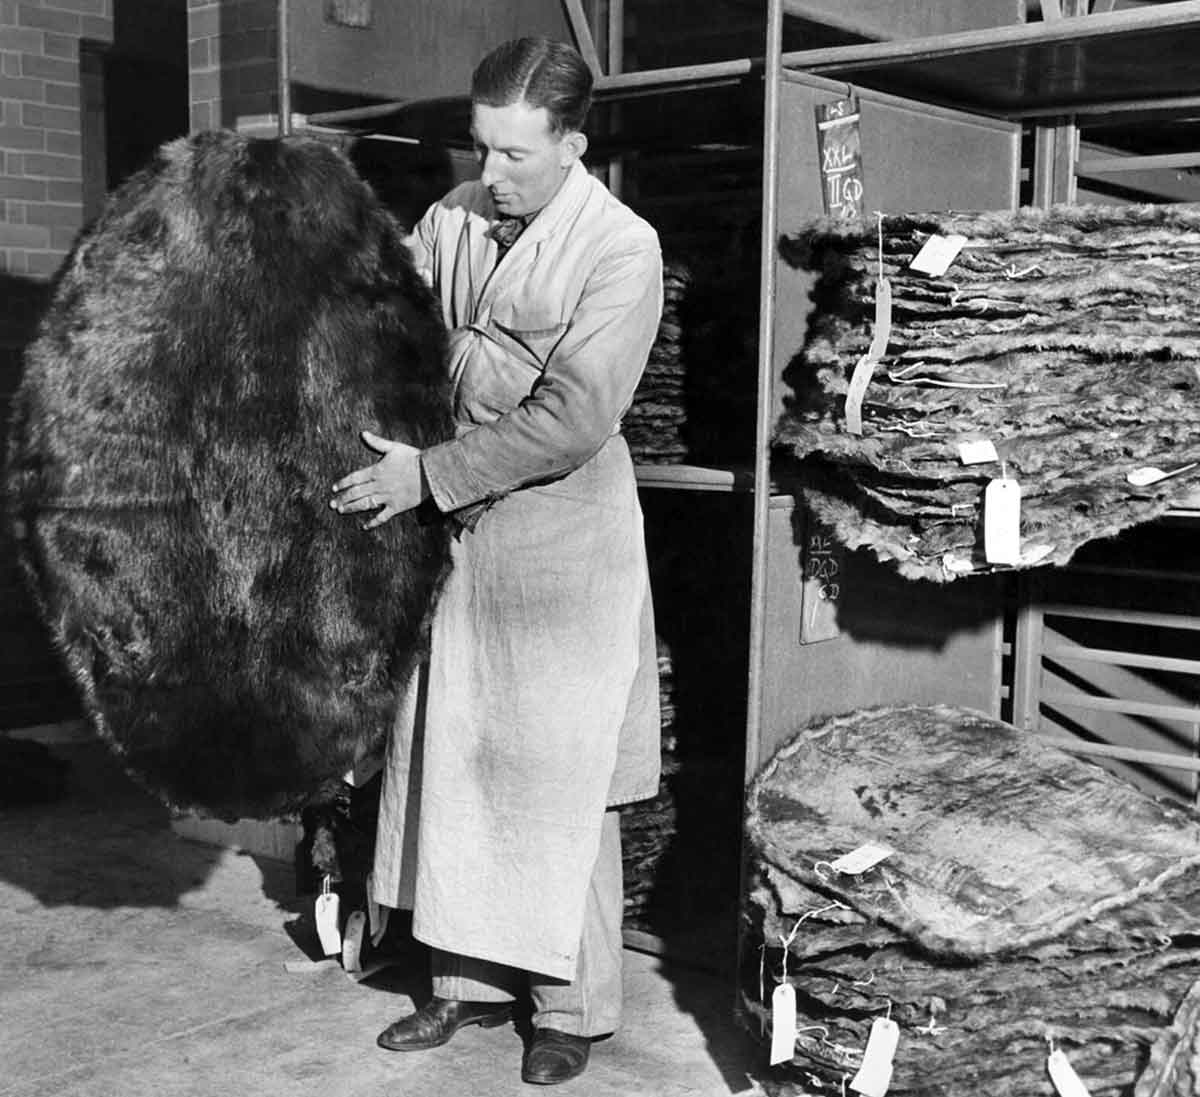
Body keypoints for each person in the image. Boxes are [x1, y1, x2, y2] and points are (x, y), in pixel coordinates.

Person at [330, 37, 663, 1086]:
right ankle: (465, 986)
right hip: (456, 533)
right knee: (456, 754)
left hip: (561, 543)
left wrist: (424, 476)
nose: (495, 174)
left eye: (518, 154)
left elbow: (571, 418)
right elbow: (398, 331)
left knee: (560, 778)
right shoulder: (452, 218)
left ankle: (569, 1008)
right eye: (484, 149)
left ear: (572, 142)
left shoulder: (621, 249)